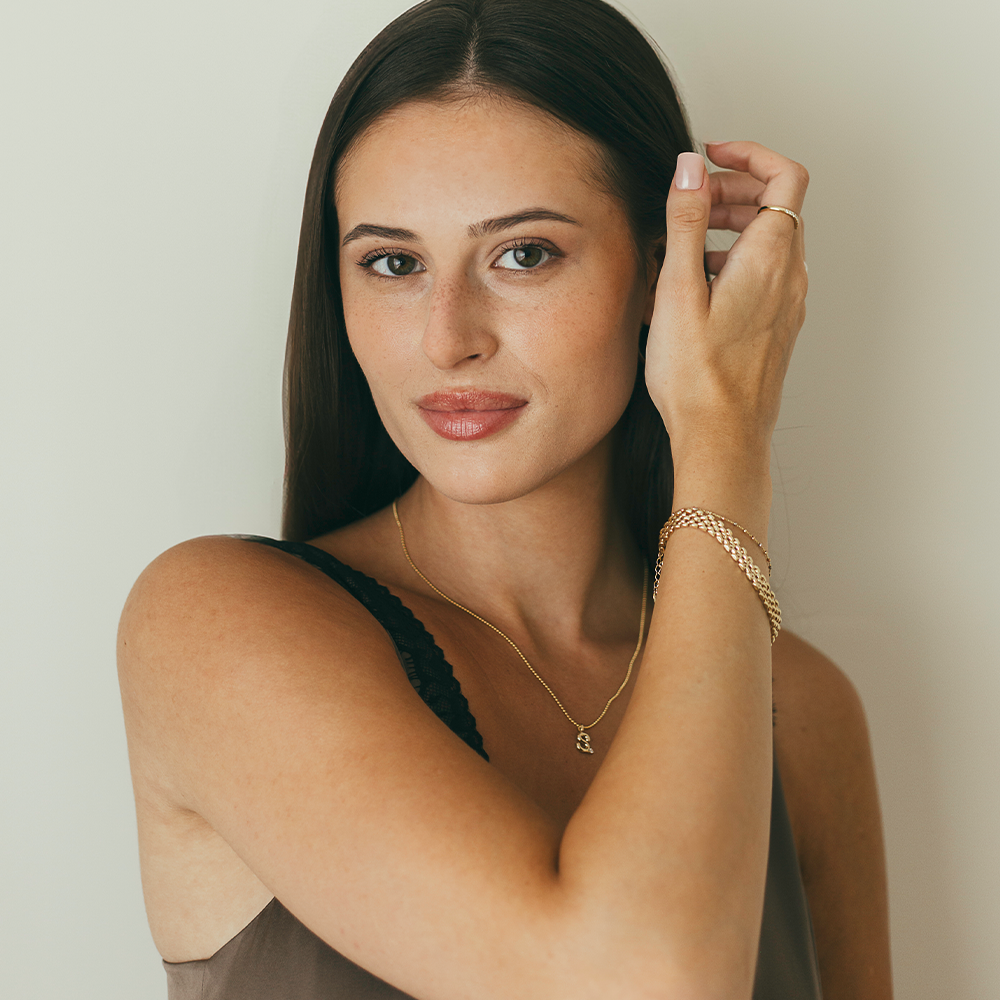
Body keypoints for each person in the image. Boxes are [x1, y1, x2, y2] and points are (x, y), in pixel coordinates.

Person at [117, 0, 892, 997]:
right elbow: (642, 979)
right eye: (393, 263)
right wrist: (726, 438)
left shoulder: (799, 710)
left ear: (662, 275)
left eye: (523, 254)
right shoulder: (214, 624)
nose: (449, 338)